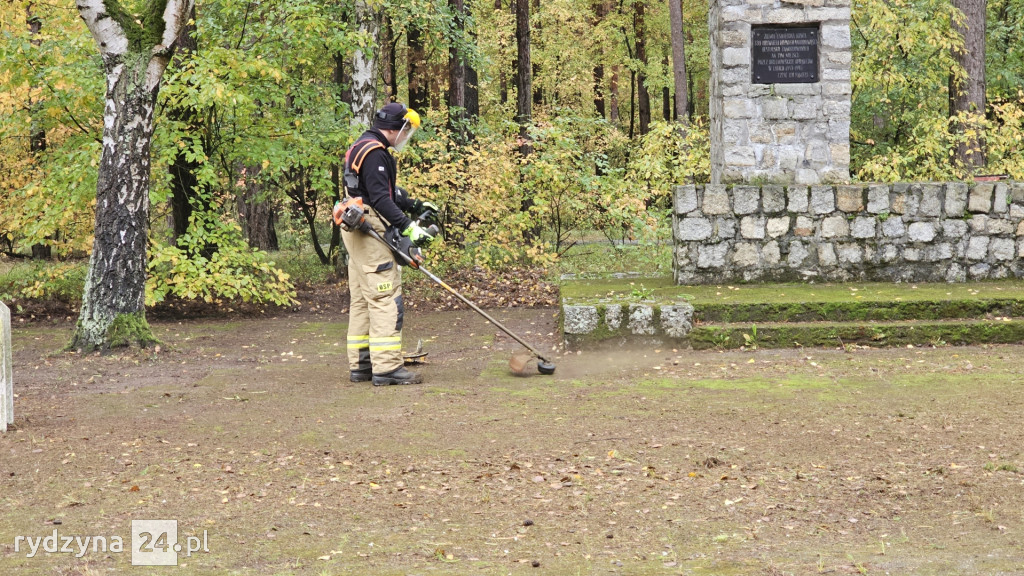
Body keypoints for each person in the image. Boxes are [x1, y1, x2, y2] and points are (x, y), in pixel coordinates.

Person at [341, 102, 437, 386]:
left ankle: (362, 365)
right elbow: (381, 201)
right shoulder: (376, 154)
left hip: (356, 233)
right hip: (369, 231)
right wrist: (410, 228)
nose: (407, 138)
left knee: (361, 300)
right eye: (408, 131)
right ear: (399, 128)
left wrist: (413, 204)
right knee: (385, 299)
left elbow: (380, 191)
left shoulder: (362, 144)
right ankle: (386, 368)